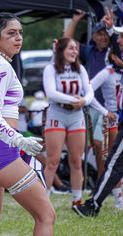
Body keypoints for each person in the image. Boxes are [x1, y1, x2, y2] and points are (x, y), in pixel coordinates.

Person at [0, 13, 55, 235]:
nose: (18, 38)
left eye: (20, 33)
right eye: (11, 33)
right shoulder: (1, 66)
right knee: (46, 216)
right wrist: (18, 139)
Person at [72, 22, 123, 218]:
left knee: (113, 163)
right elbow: (90, 92)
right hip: (111, 118)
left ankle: (95, 203)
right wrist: (104, 111)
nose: (118, 42)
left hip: (117, 119)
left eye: (120, 37)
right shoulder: (109, 71)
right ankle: (105, 200)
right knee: (110, 161)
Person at [43, 37, 94, 209]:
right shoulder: (50, 69)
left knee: (76, 161)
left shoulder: (80, 69)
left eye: (76, 48)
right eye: (71, 48)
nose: (75, 52)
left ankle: (77, 200)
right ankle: (43, 201)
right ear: (61, 50)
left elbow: (89, 92)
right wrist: (75, 99)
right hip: (57, 113)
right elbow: (51, 92)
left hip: (76, 116)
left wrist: (84, 101)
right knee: (52, 161)